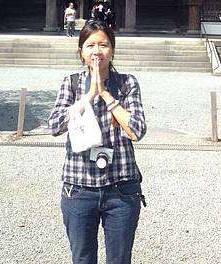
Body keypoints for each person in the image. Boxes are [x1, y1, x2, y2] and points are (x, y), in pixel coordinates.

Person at [48, 20, 146, 264]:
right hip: (79, 187)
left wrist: (105, 93)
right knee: (82, 259)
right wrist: (89, 95)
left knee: (120, 260)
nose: (96, 51)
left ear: (112, 49)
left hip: (121, 187)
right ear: (81, 51)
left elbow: (136, 130)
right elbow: (55, 126)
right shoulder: (70, 83)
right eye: (90, 45)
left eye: (103, 44)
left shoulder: (128, 83)